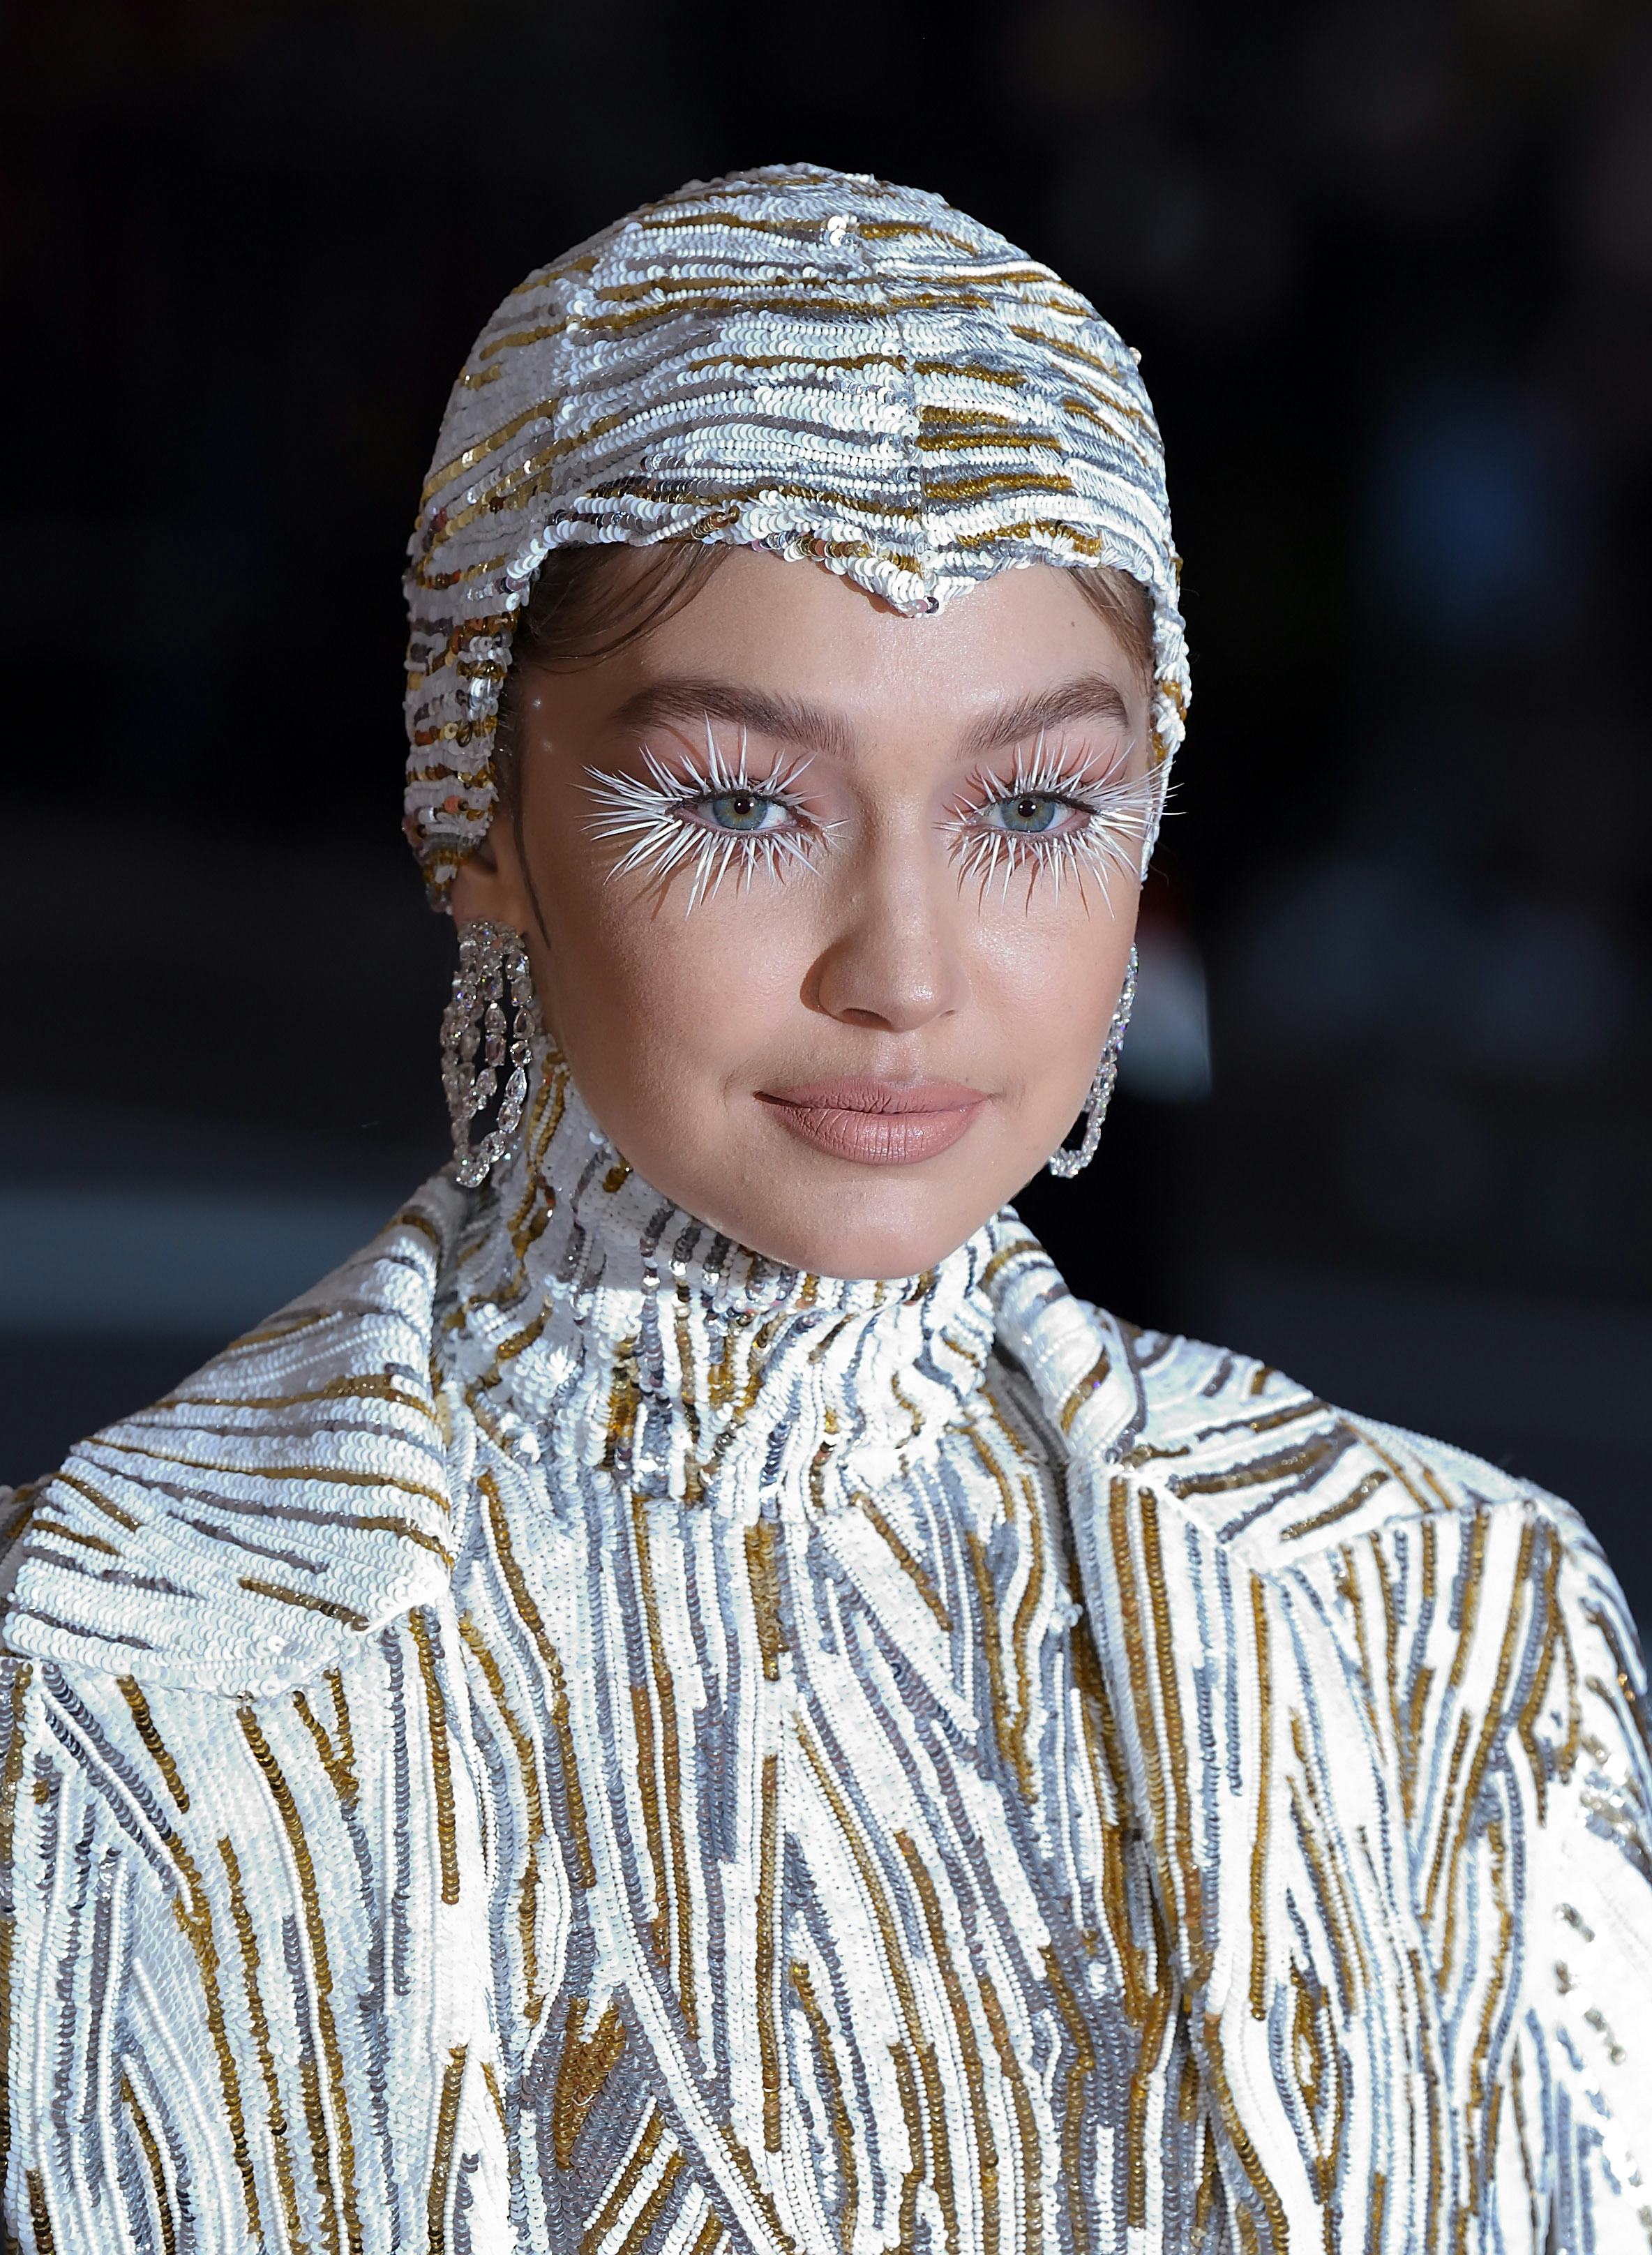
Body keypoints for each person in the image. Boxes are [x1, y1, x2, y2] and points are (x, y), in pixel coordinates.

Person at [2, 163, 1647, 2255]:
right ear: (469, 802)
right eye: (736, 802)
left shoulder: (1454, 1619)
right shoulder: (100, 1670)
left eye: (1034, 804)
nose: (907, 967)